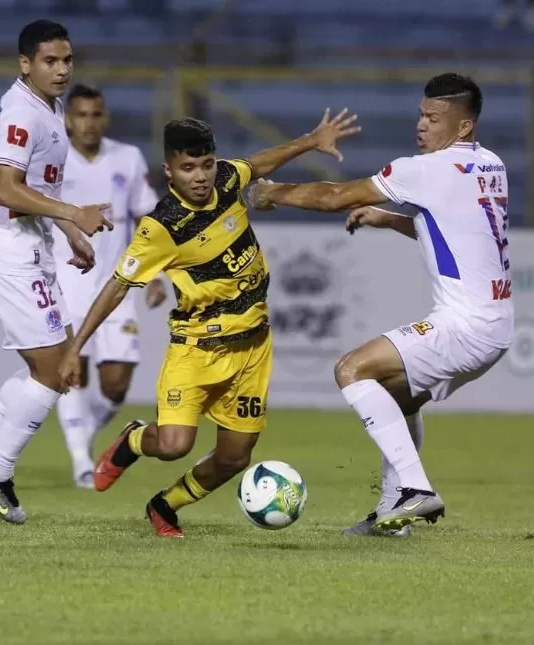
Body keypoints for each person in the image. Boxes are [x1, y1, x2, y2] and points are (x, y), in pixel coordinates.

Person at [59, 110, 360, 537]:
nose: (200, 176)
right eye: (187, 168)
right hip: (197, 349)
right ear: (169, 171)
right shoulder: (160, 228)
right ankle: (132, 439)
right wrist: (75, 349)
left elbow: (258, 164)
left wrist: (311, 140)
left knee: (235, 457)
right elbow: (116, 286)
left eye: (206, 164)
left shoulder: (226, 180)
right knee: (173, 445)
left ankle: (165, 505)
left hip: (252, 349)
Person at [248, 72, 514, 536]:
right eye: (420, 114)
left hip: (464, 326)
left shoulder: (423, 170)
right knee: (397, 395)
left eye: (433, 118)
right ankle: (394, 513)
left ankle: (414, 489)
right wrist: (390, 220)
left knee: (351, 369)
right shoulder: (490, 165)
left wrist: (272, 193)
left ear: (464, 127)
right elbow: (453, 231)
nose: (421, 125)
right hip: (496, 326)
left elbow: (333, 197)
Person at [0, 20, 113, 524]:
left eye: (67, 61)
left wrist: (70, 232)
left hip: (30, 249)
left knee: (49, 368)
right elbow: (9, 189)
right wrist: (77, 214)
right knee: (57, 369)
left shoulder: (46, 107)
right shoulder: (21, 112)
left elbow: (39, 189)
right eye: (50, 62)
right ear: (26, 64)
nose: (61, 70)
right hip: (9, 254)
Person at [51, 84, 168, 487]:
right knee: (71, 373)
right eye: (80, 115)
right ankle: (82, 460)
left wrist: (156, 274)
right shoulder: (53, 158)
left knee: (117, 384)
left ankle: (85, 437)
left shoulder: (128, 158)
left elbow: (150, 221)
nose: (88, 123)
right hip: (66, 279)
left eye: (95, 115)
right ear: (68, 118)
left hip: (117, 286)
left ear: (106, 117)